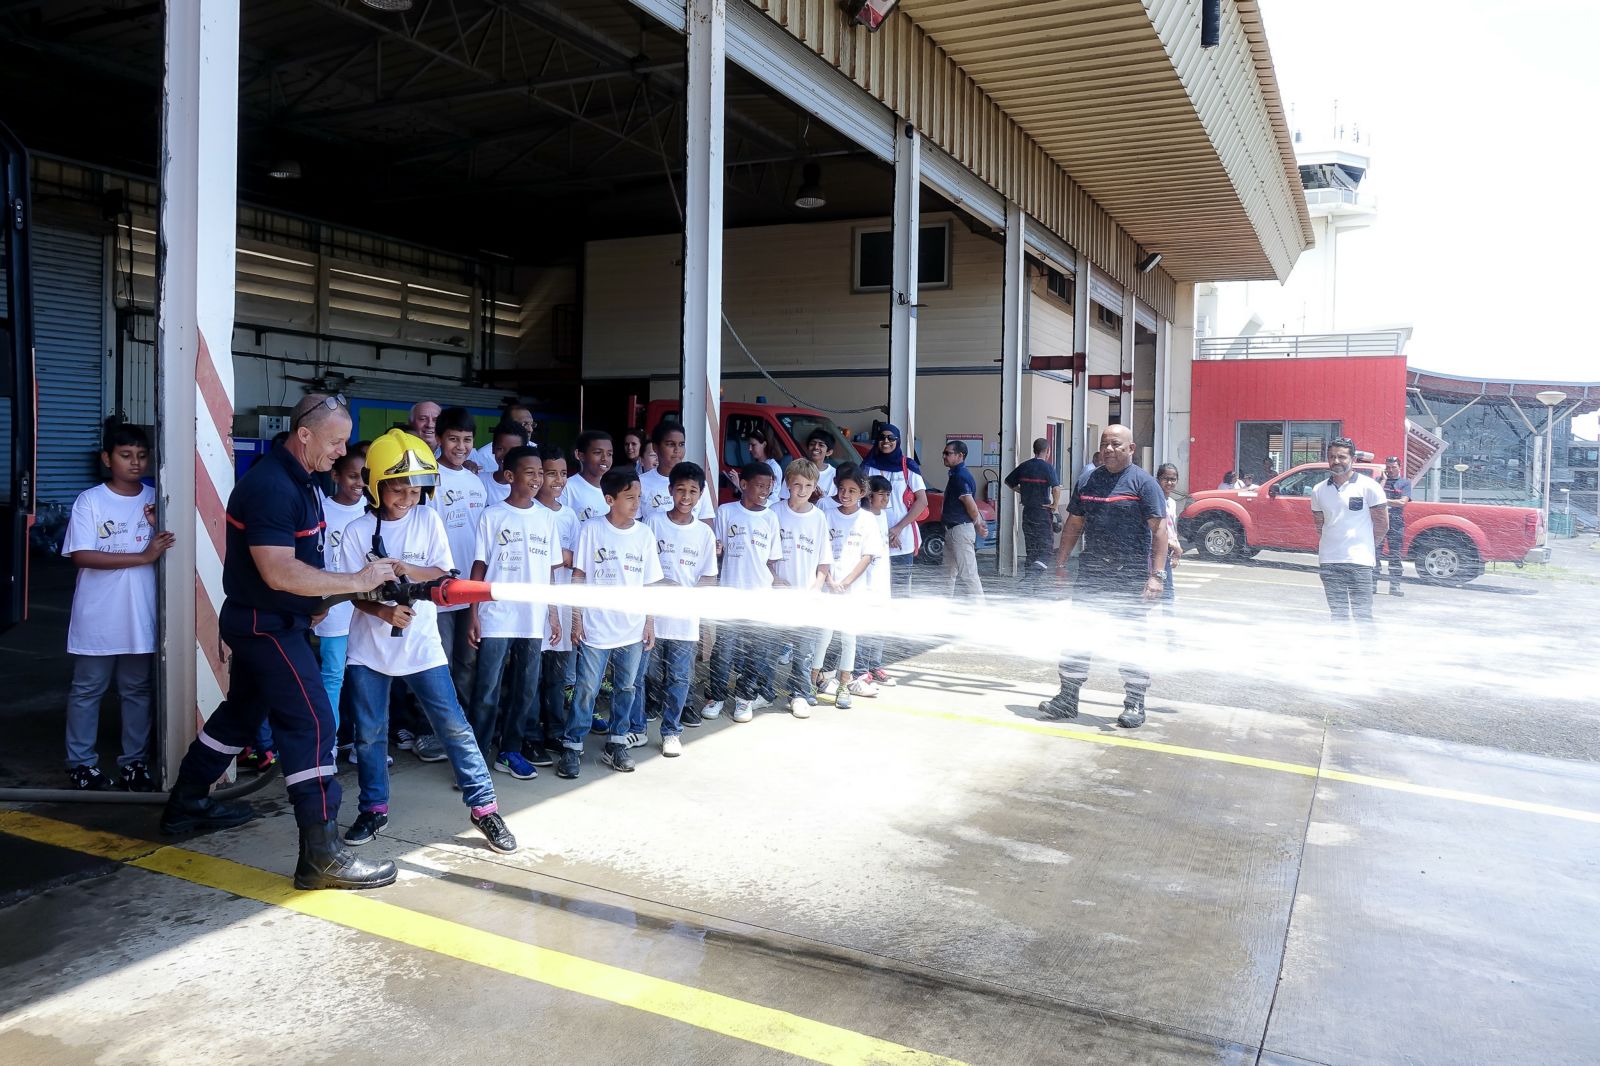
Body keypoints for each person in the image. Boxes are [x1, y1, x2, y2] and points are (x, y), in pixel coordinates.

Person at [160, 393, 398, 891]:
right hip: (264, 625)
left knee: (242, 715)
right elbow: (279, 570)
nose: (342, 452)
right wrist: (354, 580)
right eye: (335, 442)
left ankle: (186, 804)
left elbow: (302, 566)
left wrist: (331, 597)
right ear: (304, 434)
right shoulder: (271, 486)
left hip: (271, 621)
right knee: (312, 721)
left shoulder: (303, 480)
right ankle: (322, 856)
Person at [339, 429, 517, 855]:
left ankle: (484, 809)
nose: (407, 497)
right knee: (369, 734)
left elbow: (443, 574)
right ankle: (374, 809)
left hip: (422, 648)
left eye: (415, 489)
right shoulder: (357, 531)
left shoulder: (428, 520)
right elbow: (351, 592)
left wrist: (404, 568)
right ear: (376, 486)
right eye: (398, 488)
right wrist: (383, 610)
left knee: (454, 727)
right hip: (368, 652)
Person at [61, 422, 173, 792]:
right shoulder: (90, 501)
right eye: (125, 456)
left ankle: (134, 764)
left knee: (137, 690)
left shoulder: (157, 500)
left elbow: (175, 551)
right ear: (107, 459)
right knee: (88, 689)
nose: (135, 463)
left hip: (140, 616)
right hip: (98, 616)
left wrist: (159, 528)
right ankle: (81, 764)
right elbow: (81, 555)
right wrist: (142, 556)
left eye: (141, 456)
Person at [1040, 425, 1168, 729]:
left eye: (1116, 444)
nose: (1109, 449)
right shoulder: (1089, 480)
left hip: (1129, 575)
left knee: (1130, 639)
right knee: (1078, 637)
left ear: (1131, 448)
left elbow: (1160, 531)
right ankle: (1067, 698)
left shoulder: (1144, 483)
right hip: (1092, 573)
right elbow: (1074, 524)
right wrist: (1060, 562)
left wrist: (1157, 576)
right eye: (1104, 444)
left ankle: (1135, 702)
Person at [468, 445, 564, 778]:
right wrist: (473, 613)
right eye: (530, 472)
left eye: (542, 472)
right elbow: (479, 568)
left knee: (525, 688)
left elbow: (550, 572)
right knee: (487, 690)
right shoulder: (492, 516)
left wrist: (553, 614)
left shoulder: (547, 518)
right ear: (509, 476)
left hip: (532, 618)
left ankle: (509, 750)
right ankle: (475, 758)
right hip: (496, 616)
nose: (538, 478)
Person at [564, 468, 663, 777]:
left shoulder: (644, 534)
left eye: (639, 497)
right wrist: (576, 618)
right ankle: (572, 745)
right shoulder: (591, 530)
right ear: (610, 499)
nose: (636, 503)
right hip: (596, 626)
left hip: (632, 627)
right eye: (629, 497)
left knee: (626, 687)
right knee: (587, 688)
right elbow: (578, 575)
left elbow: (649, 584)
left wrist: (649, 622)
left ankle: (616, 743)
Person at [644, 462, 719, 756]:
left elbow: (709, 576)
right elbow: (644, 566)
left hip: (685, 621)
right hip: (651, 618)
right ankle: (638, 726)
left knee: (679, 677)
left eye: (692, 492)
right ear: (670, 491)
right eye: (680, 490)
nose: (686, 497)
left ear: (700, 495)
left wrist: (694, 604)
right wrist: (664, 584)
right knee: (647, 674)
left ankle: (671, 731)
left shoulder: (704, 534)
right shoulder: (653, 523)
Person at [705, 462, 784, 721]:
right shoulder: (726, 512)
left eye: (769, 487)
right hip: (730, 594)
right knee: (724, 650)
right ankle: (715, 696)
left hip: (760, 595)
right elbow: (717, 551)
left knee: (756, 652)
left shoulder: (771, 517)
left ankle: (744, 698)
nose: (764, 491)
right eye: (759, 485)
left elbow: (772, 560)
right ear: (744, 484)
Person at [428, 408, 489, 743]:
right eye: (453, 439)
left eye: (467, 439)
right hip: (439, 589)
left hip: (470, 590)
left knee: (467, 665)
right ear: (439, 439)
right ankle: (432, 731)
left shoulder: (475, 481)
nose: (460, 446)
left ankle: (459, 729)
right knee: (440, 664)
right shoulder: (430, 478)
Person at [813, 464, 885, 708]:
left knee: (848, 639)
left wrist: (845, 582)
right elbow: (821, 552)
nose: (845, 494)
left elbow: (867, 556)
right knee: (823, 636)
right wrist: (831, 581)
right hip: (828, 587)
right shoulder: (827, 514)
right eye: (842, 489)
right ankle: (812, 682)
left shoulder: (866, 520)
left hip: (852, 590)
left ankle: (843, 686)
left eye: (852, 491)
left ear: (862, 492)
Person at [315, 450, 368, 761]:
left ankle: (365, 745)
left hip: (366, 607)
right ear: (335, 476)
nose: (359, 483)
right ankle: (329, 746)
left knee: (365, 675)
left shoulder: (372, 511)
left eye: (364, 476)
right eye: (351, 475)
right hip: (333, 607)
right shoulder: (320, 510)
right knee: (333, 675)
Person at [772, 459, 833, 719]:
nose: (802, 490)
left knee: (804, 650)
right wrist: (773, 578)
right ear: (787, 483)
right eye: (797, 484)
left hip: (806, 595)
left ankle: (798, 693)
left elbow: (824, 560)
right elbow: (763, 553)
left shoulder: (818, 517)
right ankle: (763, 690)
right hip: (776, 595)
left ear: (815, 486)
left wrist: (816, 587)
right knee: (769, 646)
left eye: (808, 485)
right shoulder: (774, 511)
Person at [1310, 437, 1387, 625]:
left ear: (1353, 459)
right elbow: (1320, 524)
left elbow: (1382, 525)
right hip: (1330, 562)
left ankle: (1368, 653)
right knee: (1338, 615)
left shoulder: (1370, 487)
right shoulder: (1319, 490)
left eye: (1342, 457)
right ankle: (1341, 653)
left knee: (1363, 616)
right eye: (1332, 457)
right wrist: (1334, 544)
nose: (1336, 461)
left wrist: (1366, 546)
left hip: (1359, 563)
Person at [536, 451, 582, 765]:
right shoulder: (532, 512)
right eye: (551, 473)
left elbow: (577, 560)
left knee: (556, 673)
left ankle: (554, 728)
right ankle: (529, 732)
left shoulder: (569, 516)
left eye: (563, 473)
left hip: (563, 605)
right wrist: (559, 555)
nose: (558, 480)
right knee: (529, 674)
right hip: (536, 605)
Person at [860, 423, 927, 595]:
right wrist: (883, 534)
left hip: (901, 539)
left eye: (891, 438)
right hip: (873, 535)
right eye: (882, 437)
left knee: (899, 589)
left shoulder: (908, 466)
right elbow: (861, 499)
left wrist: (897, 529)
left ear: (898, 441)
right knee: (873, 587)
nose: (886, 441)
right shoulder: (868, 465)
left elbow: (922, 501)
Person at [852, 475, 896, 689]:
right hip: (866, 584)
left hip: (881, 582)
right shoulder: (862, 518)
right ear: (869, 496)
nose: (886, 499)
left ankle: (875, 665)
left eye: (888, 495)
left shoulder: (883, 516)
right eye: (882, 495)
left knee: (879, 626)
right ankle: (860, 669)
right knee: (863, 626)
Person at [1004, 438, 1062, 582]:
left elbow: (1008, 482)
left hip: (1027, 513)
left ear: (1034, 450)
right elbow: (1056, 488)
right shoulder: (1048, 468)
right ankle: (1030, 579)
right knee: (1046, 551)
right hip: (1042, 513)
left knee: (1032, 550)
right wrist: (1055, 505)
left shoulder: (1024, 466)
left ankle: (1031, 586)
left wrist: (1023, 492)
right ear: (1047, 451)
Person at [939, 440, 988, 602]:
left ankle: (979, 609)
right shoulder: (957, 475)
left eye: (948, 453)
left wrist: (978, 524)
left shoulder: (960, 477)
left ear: (961, 456)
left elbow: (970, 504)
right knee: (947, 574)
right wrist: (979, 522)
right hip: (954, 531)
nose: (944, 456)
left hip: (960, 531)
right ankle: (945, 605)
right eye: (944, 453)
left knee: (968, 574)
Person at [639, 422, 715, 523]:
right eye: (670, 444)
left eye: (681, 444)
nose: (677, 450)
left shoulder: (697, 482)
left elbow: (707, 524)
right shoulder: (641, 483)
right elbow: (635, 526)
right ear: (655, 447)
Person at [1376, 455, 1412, 597]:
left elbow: (1402, 502)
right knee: (1375, 553)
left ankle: (1394, 585)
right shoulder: (1379, 481)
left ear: (1399, 467)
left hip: (1396, 522)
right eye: (1388, 467)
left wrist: (1383, 501)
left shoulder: (1404, 483)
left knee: (1395, 555)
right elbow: (1374, 496)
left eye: (1393, 467)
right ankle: (1373, 583)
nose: (1390, 470)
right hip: (1379, 521)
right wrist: (1384, 480)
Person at [560, 430, 613, 522]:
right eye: (597, 453)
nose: (604, 458)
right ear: (580, 455)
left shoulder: (615, 488)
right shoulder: (567, 488)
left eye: (609, 454)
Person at [1155, 463, 1183, 633]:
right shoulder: (1154, 499)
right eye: (1166, 479)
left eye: (1173, 479)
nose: (1169, 483)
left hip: (1168, 550)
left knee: (1168, 590)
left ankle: (1169, 627)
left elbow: (1172, 527)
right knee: (1163, 589)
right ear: (1158, 479)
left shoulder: (1171, 502)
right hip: (1157, 551)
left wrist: (1176, 545)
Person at [469, 401, 536, 473]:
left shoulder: (536, 450)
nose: (530, 429)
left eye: (532, 424)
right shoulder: (484, 455)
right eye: (524, 424)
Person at [477, 421, 528, 507]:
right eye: (500, 449)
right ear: (493, 448)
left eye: (513, 450)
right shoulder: (479, 480)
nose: (507, 456)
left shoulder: (529, 487)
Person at [803, 429, 838, 501]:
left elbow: (832, 503)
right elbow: (784, 498)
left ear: (829, 452)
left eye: (821, 445)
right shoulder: (795, 470)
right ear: (807, 448)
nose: (816, 447)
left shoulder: (835, 474)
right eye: (812, 444)